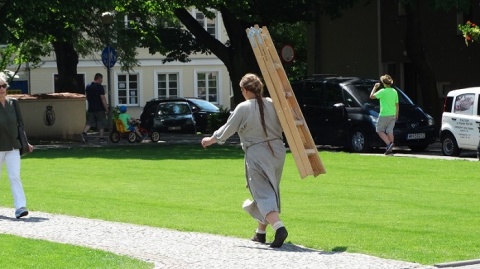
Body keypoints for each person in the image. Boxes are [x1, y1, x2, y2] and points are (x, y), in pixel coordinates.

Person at [201, 73, 288, 248]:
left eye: (241, 90)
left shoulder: (244, 107)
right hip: (278, 151)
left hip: (258, 152)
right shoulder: (272, 103)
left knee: (263, 192)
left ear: (245, 90)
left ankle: (279, 228)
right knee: (269, 190)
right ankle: (260, 233)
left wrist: (210, 139)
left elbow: (228, 128)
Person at [0, 75, 33, 218]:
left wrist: (26, 142)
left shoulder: (14, 103)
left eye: (3, 86)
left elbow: (20, 125)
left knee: (15, 176)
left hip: (13, 146)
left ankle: (20, 207)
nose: (1, 89)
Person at [370, 74, 399, 155]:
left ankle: (389, 144)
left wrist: (375, 87)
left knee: (379, 130)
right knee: (390, 131)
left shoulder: (382, 91)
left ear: (383, 83)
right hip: (393, 114)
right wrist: (397, 114)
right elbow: (397, 104)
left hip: (384, 114)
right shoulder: (394, 91)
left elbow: (371, 96)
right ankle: (390, 150)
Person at [81, 73, 108, 143]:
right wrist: (106, 108)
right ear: (99, 79)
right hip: (100, 109)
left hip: (91, 108)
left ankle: (83, 133)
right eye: (101, 79)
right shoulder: (100, 87)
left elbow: (86, 96)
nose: (102, 81)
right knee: (101, 123)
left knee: (89, 122)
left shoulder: (88, 86)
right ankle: (101, 138)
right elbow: (103, 99)